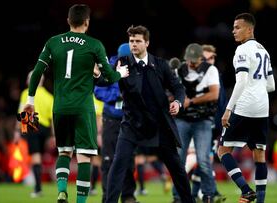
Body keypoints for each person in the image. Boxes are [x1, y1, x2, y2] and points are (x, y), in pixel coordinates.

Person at [22, 4, 129, 203]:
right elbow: (109, 76)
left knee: (64, 151)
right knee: (85, 156)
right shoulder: (94, 44)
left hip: (60, 107)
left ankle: (62, 191)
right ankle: (80, 202)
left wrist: (30, 101)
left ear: (68, 21)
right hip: (83, 107)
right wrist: (120, 73)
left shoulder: (53, 42)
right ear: (87, 22)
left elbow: (37, 72)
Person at [104, 25, 194, 203]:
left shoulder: (160, 65)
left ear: (147, 43)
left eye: (138, 41)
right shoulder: (121, 63)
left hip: (160, 124)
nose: (134, 44)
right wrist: (114, 75)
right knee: (118, 165)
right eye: (131, 41)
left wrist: (177, 102)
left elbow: (177, 87)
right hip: (131, 124)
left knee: (176, 168)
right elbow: (101, 80)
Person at [217, 13, 275, 203]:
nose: (233, 31)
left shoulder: (242, 50)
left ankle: (245, 190)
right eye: (233, 28)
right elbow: (271, 85)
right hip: (262, 108)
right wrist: (257, 87)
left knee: (223, 151)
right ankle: (260, 200)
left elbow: (241, 82)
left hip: (244, 107)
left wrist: (228, 109)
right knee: (259, 156)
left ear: (250, 29)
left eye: (237, 27)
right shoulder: (263, 50)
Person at [172, 43, 219, 203]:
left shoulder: (211, 70)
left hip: (203, 120)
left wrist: (191, 101)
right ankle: (178, 197)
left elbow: (214, 94)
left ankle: (208, 196)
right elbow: (171, 91)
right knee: (178, 161)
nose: (191, 63)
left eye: (194, 60)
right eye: (189, 60)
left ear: (201, 58)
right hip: (182, 120)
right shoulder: (179, 69)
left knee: (204, 160)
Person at [94, 43, 139, 203]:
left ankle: (128, 196)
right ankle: (107, 197)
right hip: (111, 120)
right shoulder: (108, 69)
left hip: (130, 120)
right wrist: (118, 94)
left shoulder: (138, 68)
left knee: (129, 159)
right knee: (108, 159)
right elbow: (98, 92)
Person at [186, 44, 227, 203]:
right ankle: (206, 192)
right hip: (199, 124)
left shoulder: (216, 75)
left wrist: (224, 119)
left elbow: (221, 101)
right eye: (206, 58)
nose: (209, 61)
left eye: (212, 58)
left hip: (215, 125)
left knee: (205, 160)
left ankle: (196, 194)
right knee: (202, 160)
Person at [17, 70, 54, 198]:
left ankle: (38, 189)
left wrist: (18, 132)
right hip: (45, 129)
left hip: (32, 123)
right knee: (39, 158)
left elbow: (23, 113)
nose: (27, 81)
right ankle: (38, 186)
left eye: (29, 79)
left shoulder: (26, 93)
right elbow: (53, 119)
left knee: (36, 157)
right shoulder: (49, 97)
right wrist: (53, 136)